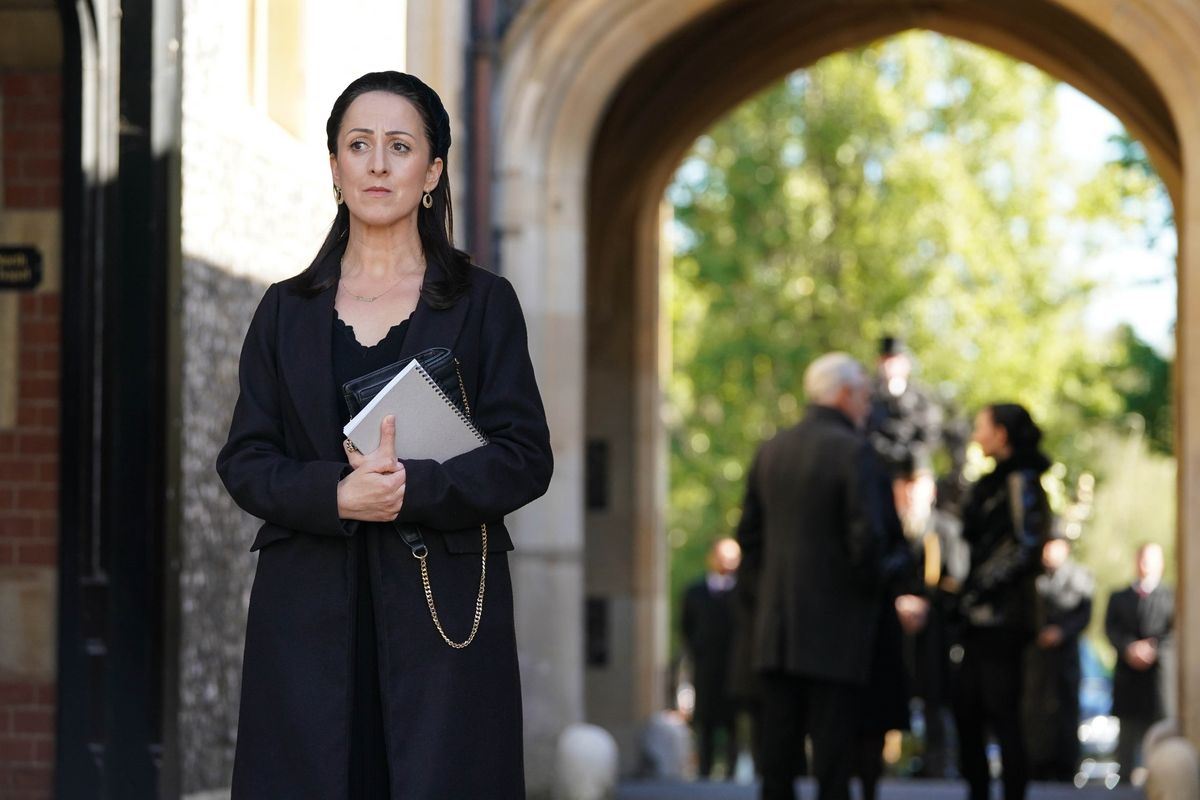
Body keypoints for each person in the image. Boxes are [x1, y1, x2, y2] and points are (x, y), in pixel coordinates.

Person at [216, 71, 553, 799]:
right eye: (357, 144)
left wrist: (412, 489)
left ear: (431, 172)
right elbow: (245, 460)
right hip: (306, 617)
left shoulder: (485, 303)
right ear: (335, 166)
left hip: (444, 618)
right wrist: (336, 494)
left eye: (399, 147)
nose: (376, 163)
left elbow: (525, 458)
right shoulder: (284, 312)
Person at [736, 352, 920, 800]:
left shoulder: (771, 450)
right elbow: (868, 544)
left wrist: (769, 600)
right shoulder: (855, 454)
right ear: (842, 394)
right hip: (838, 635)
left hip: (777, 632)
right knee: (834, 762)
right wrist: (888, 579)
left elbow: (749, 539)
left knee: (777, 759)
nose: (866, 405)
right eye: (862, 394)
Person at [952, 403, 1052, 800]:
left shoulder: (1022, 480)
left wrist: (978, 588)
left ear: (1002, 434)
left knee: (1002, 714)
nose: (976, 436)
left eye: (982, 428)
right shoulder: (993, 483)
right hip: (980, 620)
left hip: (1003, 621)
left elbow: (1026, 548)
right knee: (969, 713)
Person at [1022, 535, 1094, 781]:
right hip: (1037, 656)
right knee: (1035, 708)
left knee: (1065, 707)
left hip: (1065, 655)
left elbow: (1083, 613)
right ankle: (1037, 761)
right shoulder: (1034, 577)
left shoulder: (1079, 577)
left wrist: (1061, 632)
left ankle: (1065, 763)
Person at [1105, 542, 1176, 780]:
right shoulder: (1119, 597)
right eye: (1143, 558)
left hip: (1158, 679)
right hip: (1128, 678)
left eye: (1152, 559)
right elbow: (1111, 629)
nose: (1146, 564)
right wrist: (1129, 648)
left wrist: (1153, 648)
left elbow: (1175, 631)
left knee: (1160, 738)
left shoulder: (1172, 598)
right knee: (1126, 739)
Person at [681, 537, 742, 779]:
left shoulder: (743, 593)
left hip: (734, 667)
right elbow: (686, 627)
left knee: (732, 723)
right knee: (705, 721)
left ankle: (732, 772)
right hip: (706, 667)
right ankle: (704, 770)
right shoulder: (695, 592)